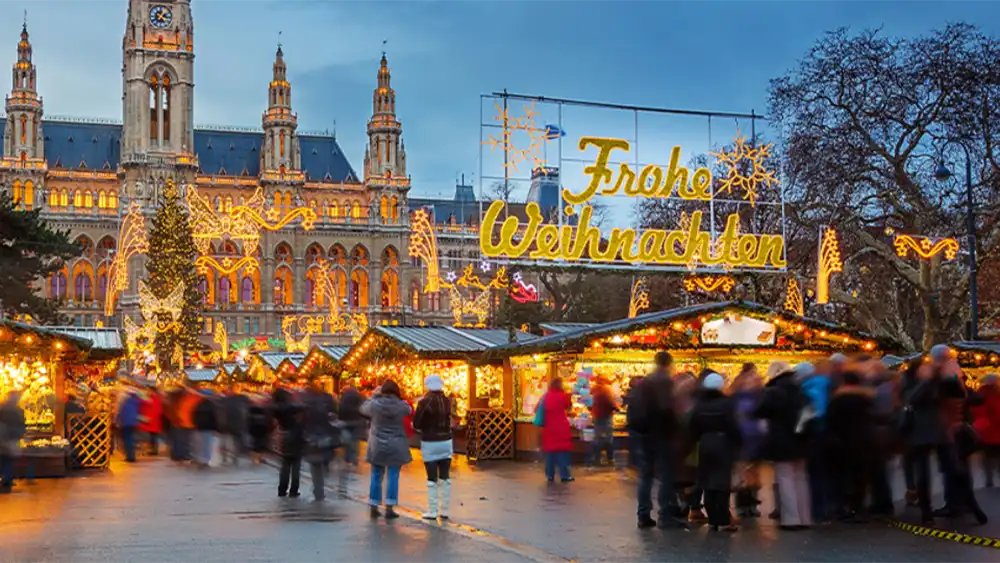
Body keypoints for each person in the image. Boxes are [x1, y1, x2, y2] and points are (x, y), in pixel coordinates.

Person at [629, 351, 687, 530]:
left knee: (646, 475)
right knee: (666, 474)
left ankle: (643, 514)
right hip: (660, 434)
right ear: (668, 363)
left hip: (643, 434)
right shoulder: (665, 382)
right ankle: (666, 515)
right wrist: (676, 430)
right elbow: (666, 409)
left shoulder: (644, 382)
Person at [753, 361, 811, 530]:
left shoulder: (774, 391)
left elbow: (759, 411)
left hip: (782, 440)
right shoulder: (800, 389)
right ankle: (805, 517)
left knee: (785, 479)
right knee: (801, 479)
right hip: (802, 440)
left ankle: (791, 518)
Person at [689, 372, 741, 532]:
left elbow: (693, 427)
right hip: (723, 444)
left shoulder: (700, 404)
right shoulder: (727, 404)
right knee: (722, 484)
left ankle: (712, 519)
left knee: (707, 483)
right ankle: (723, 519)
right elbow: (733, 426)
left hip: (705, 444)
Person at [900, 359, 946, 524]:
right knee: (920, 469)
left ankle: (927, 506)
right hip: (916, 432)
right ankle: (923, 504)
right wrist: (924, 382)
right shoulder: (910, 383)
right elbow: (910, 398)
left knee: (927, 470)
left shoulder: (935, 383)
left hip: (931, 432)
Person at [826, 370, 876, 522]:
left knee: (844, 475)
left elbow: (831, 420)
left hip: (844, 441)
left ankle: (846, 507)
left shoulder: (837, 399)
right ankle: (860, 507)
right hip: (864, 439)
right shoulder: (866, 398)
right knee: (861, 476)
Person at [361, 380, 413, 519]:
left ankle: (373, 505)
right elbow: (409, 409)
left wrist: (374, 395)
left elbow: (363, 408)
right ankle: (390, 507)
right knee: (393, 475)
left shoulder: (375, 404)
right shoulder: (401, 405)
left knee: (376, 474)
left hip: (377, 444)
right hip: (396, 444)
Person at [413, 374, 454, 520]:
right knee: (445, 476)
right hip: (446, 440)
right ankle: (445, 510)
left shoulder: (424, 402)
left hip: (430, 441)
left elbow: (417, 424)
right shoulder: (447, 401)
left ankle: (432, 510)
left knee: (432, 478)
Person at [732, 363, 765, 517]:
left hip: (751, 439)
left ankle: (750, 504)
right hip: (745, 439)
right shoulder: (747, 398)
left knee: (751, 472)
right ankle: (745, 504)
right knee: (745, 472)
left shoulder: (754, 397)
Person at [302, 381, 337, 501]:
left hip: (311, 435)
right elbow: (334, 415)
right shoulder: (327, 399)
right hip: (325, 434)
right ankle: (320, 488)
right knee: (322, 461)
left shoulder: (306, 401)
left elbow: (303, 420)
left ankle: (318, 489)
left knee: (315, 464)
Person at [539, 377, 574, 483]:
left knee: (550, 453)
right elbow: (568, 407)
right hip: (561, 428)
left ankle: (550, 475)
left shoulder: (545, 396)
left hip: (549, 428)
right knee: (562, 452)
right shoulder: (562, 396)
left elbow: (537, 409)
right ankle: (564, 475)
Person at [273, 388, 305, 498]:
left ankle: (282, 489)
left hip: (283, 436)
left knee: (285, 466)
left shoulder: (276, 407)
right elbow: (302, 408)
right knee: (296, 466)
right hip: (295, 436)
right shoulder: (290, 407)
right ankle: (294, 490)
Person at [972, 373, 1000, 487]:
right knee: (998, 455)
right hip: (996, 430)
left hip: (983, 431)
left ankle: (989, 479)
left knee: (986, 456)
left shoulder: (979, 394)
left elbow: (975, 412)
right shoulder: (996, 394)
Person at [587, 376, 617, 467]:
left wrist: (592, 411)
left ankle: (597, 458)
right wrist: (616, 408)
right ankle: (610, 458)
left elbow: (588, 404)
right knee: (608, 437)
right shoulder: (606, 390)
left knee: (597, 437)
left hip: (596, 416)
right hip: (606, 416)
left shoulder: (592, 390)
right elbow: (610, 402)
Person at [0, 390, 26, 492]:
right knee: (8, 460)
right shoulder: (18, 410)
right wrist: (20, 435)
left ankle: (6, 479)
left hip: (3, 437)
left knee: (4, 459)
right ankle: (7, 480)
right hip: (11, 438)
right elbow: (21, 424)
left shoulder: (2, 407)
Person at [338, 384, 365, 467]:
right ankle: (354, 457)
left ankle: (347, 457)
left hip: (346, 422)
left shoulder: (344, 397)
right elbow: (363, 408)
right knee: (355, 440)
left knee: (347, 440)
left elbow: (341, 408)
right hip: (357, 421)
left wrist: (341, 418)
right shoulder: (360, 396)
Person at [221, 390, 250, 466]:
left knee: (225, 442)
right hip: (237, 426)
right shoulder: (240, 404)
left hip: (225, 426)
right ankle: (235, 456)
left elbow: (221, 415)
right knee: (235, 442)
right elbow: (243, 416)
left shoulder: (225, 402)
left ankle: (225, 458)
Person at [192, 391, 218, 468]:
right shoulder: (212, 405)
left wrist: (195, 425)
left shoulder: (198, 404)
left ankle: (200, 459)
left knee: (200, 444)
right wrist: (216, 428)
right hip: (208, 428)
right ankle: (205, 461)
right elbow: (215, 418)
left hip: (199, 427)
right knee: (207, 445)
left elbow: (194, 416)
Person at [116, 389, 141, 463]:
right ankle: (132, 455)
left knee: (127, 440)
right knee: (131, 439)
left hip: (126, 423)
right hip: (133, 422)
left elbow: (121, 412)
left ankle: (130, 457)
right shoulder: (137, 402)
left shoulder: (126, 402)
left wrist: (117, 421)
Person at [247, 395, 272, 465]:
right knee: (258, 444)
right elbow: (267, 420)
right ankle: (257, 458)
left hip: (257, 429)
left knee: (257, 444)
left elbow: (248, 420)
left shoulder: (252, 409)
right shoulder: (264, 410)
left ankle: (257, 458)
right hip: (259, 429)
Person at [138, 389, 163, 456]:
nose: (148, 392)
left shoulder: (151, 399)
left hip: (151, 421)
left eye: (150, 391)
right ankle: (153, 450)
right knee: (153, 436)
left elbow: (143, 404)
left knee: (152, 436)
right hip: (154, 421)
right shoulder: (156, 399)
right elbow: (159, 411)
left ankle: (153, 450)